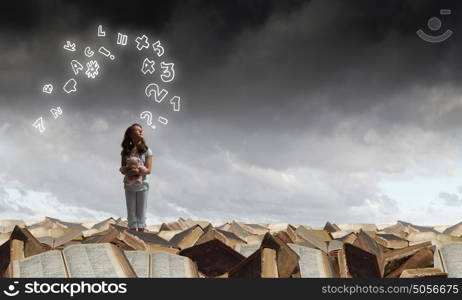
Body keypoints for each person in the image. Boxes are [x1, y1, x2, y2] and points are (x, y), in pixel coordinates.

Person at [119, 123, 152, 232]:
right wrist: (128, 170)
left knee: (141, 211)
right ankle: (132, 235)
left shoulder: (147, 151)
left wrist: (139, 171)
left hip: (143, 184)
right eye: (138, 130)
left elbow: (149, 170)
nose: (141, 132)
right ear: (130, 134)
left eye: (141, 130)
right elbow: (122, 168)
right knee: (131, 211)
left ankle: (141, 235)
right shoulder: (125, 152)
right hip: (129, 185)